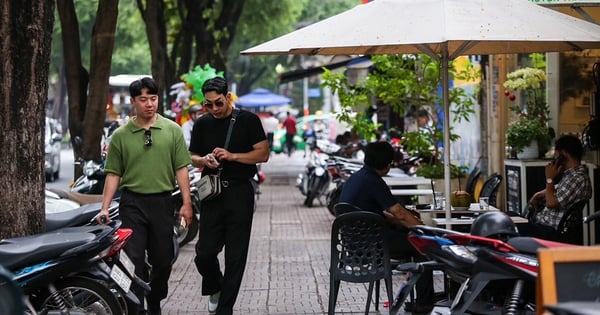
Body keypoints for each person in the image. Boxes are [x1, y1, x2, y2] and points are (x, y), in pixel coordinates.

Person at [98, 77, 193, 315]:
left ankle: (155, 297)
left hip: (163, 202)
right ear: (133, 102)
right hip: (132, 203)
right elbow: (113, 174)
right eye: (143, 99)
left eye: (153, 98)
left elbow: (181, 168)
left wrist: (187, 203)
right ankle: (136, 307)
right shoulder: (121, 135)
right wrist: (104, 207)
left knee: (163, 259)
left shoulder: (173, 130)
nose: (149, 104)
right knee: (134, 260)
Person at [189, 77, 270, 315]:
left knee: (235, 257)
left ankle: (225, 309)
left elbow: (263, 154)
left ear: (228, 97)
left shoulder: (248, 121)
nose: (214, 109)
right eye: (208, 104)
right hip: (212, 192)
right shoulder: (203, 123)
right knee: (204, 253)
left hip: (239, 192)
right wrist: (203, 160)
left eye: (219, 103)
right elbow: (191, 156)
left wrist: (232, 156)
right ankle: (215, 286)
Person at [338, 141, 435, 314]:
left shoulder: (357, 177)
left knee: (412, 239)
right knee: (424, 246)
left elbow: (380, 215)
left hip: (354, 245)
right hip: (374, 246)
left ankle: (417, 300)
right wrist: (422, 227)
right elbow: (399, 213)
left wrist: (404, 220)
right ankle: (424, 304)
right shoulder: (374, 181)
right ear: (387, 165)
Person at [517, 134, 592, 240]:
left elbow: (551, 203)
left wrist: (549, 178)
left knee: (507, 224)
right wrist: (538, 194)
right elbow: (555, 190)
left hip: (549, 231)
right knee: (508, 217)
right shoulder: (570, 175)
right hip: (541, 225)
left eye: (556, 155)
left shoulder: (578, 177)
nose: (554, 158)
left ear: (563, 154)